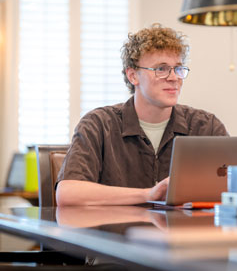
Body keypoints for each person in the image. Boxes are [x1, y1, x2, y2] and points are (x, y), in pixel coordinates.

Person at [56, 24, 228, 206]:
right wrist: (149, 194)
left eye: (178, 68)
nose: (174, 77)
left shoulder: (206, 126)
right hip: (116, 233)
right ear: (133, 76)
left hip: (182, 233)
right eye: (161, 69)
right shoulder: (99, 124)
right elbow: (67, 194)